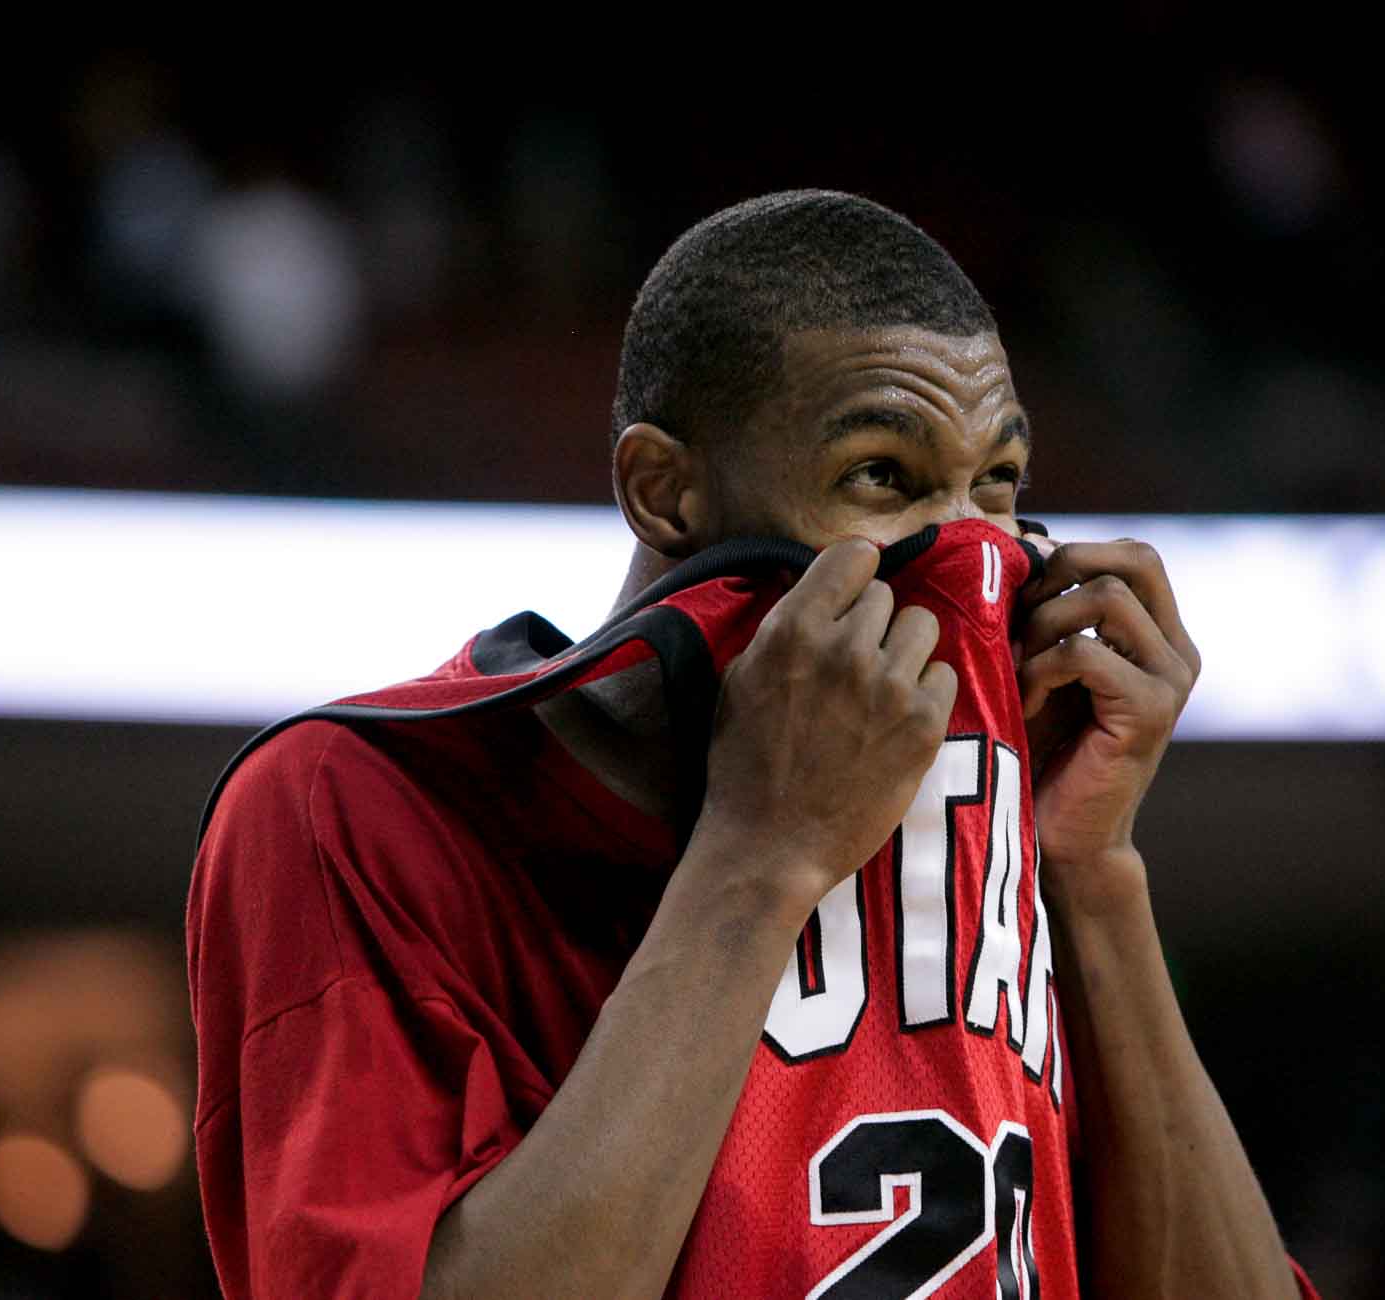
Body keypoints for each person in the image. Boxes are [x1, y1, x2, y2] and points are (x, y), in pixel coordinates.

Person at [187, 189, 1317, 1298]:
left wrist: (1091, 873)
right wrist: (757, 856)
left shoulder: (995, 835)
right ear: (664, 491)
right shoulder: (350, 800)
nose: (971, 557)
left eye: (999, 483)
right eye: (884, 475)